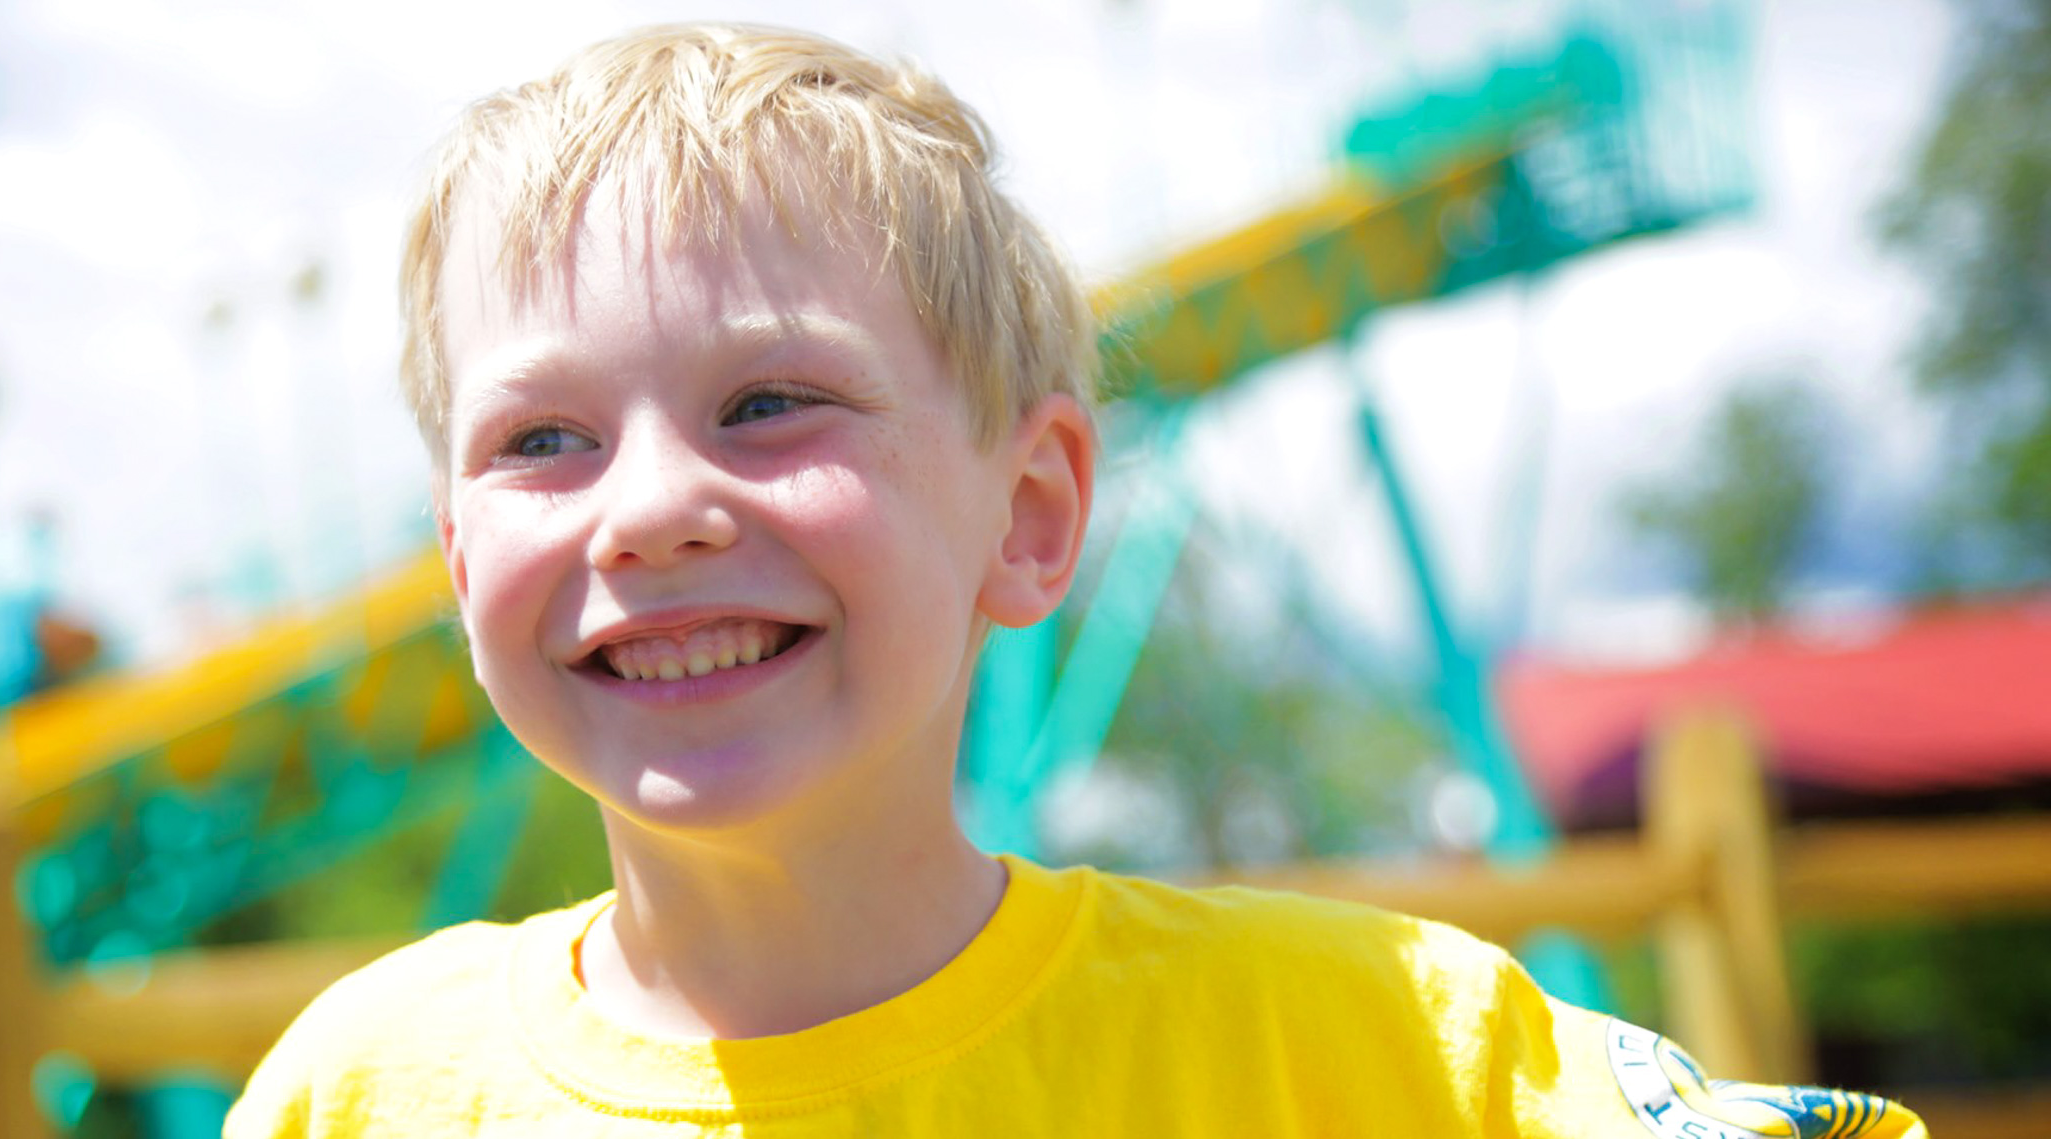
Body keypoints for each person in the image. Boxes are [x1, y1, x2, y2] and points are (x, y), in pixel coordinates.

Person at [226, 23, 1924, 1137]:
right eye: (542, 441)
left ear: (1031, 514)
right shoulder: (357, 1090)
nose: (652, 509)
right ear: (458, 566)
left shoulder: (1380, 1054)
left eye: (770, 404)